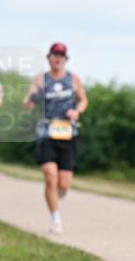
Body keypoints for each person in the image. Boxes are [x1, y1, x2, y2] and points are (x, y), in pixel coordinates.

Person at [22, 42, 88, 234]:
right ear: (48, 58)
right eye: (54, 55)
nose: (57, 59)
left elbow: (83, 99)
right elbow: (26, 105)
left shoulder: (73, 79)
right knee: (50, 177)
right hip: (46, 133)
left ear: (65, 60)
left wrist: (77, 111)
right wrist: (32, 98)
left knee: (63, 183)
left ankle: (60, 192)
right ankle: (56, 219)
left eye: (61, 56)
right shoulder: (39, 80)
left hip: (68, 133)